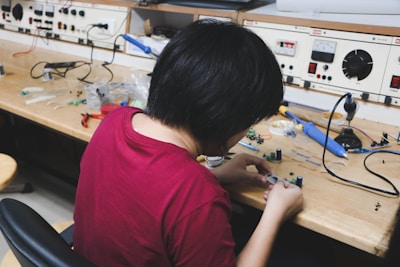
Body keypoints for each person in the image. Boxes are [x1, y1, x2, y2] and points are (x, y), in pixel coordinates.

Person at [73, 19, 303, 267]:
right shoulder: (198, 196)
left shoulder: (115, 121)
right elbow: (182, 194)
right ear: (224, 119)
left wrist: (215, 175)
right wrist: (275, 213)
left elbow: (146, 188)